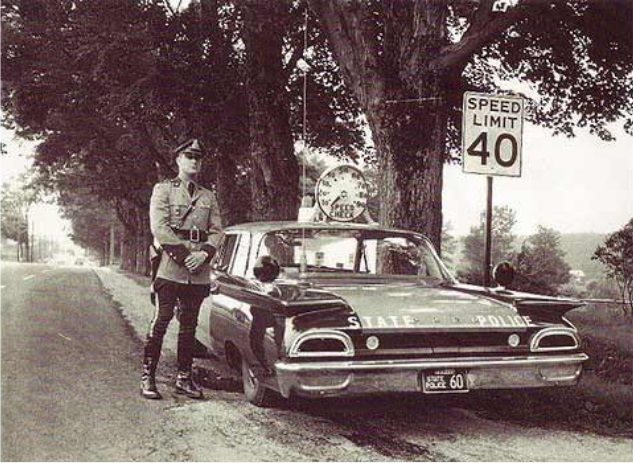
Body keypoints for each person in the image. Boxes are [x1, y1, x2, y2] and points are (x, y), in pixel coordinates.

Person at [141, 139, 222, 400]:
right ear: (178, 160)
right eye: (189, 156)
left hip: (198, 272)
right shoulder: (163, 190)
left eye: (198, 157)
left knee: (189, 326)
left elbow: (217, 231)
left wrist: (204, 255)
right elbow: (160, 228)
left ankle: (183, 379)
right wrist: (187, 256)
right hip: (170, 267)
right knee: (161, 320)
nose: (194, 161)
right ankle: (148, 377)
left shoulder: (208, 196)